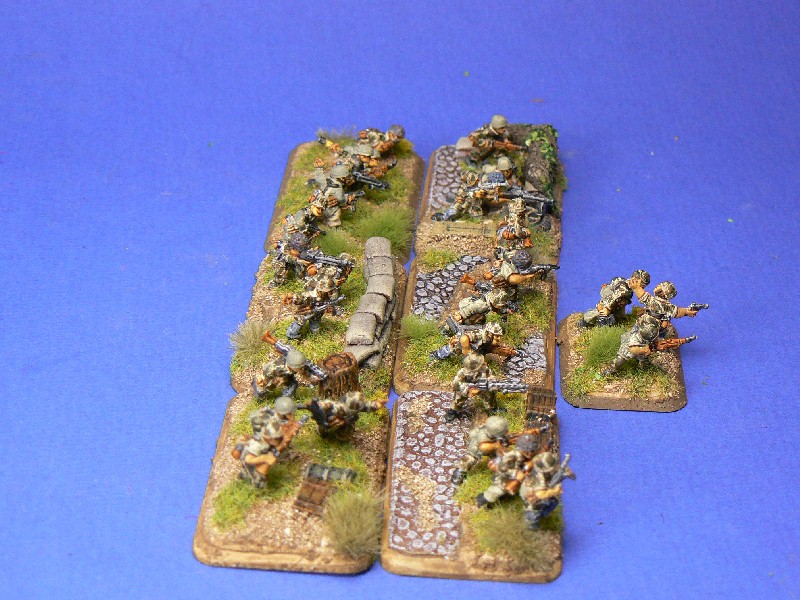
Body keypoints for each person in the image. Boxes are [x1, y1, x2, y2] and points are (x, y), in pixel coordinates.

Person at [580, 269, 651, 327]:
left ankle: (620, 320)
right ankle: (584, 323)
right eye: (640, 284)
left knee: (620, 316)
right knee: (598, 314)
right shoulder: (624, 290)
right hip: (609, 302)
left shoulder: (623, 283)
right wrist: (607, 308)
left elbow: (614, 283)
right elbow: (613, 298)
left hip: (618, 303)